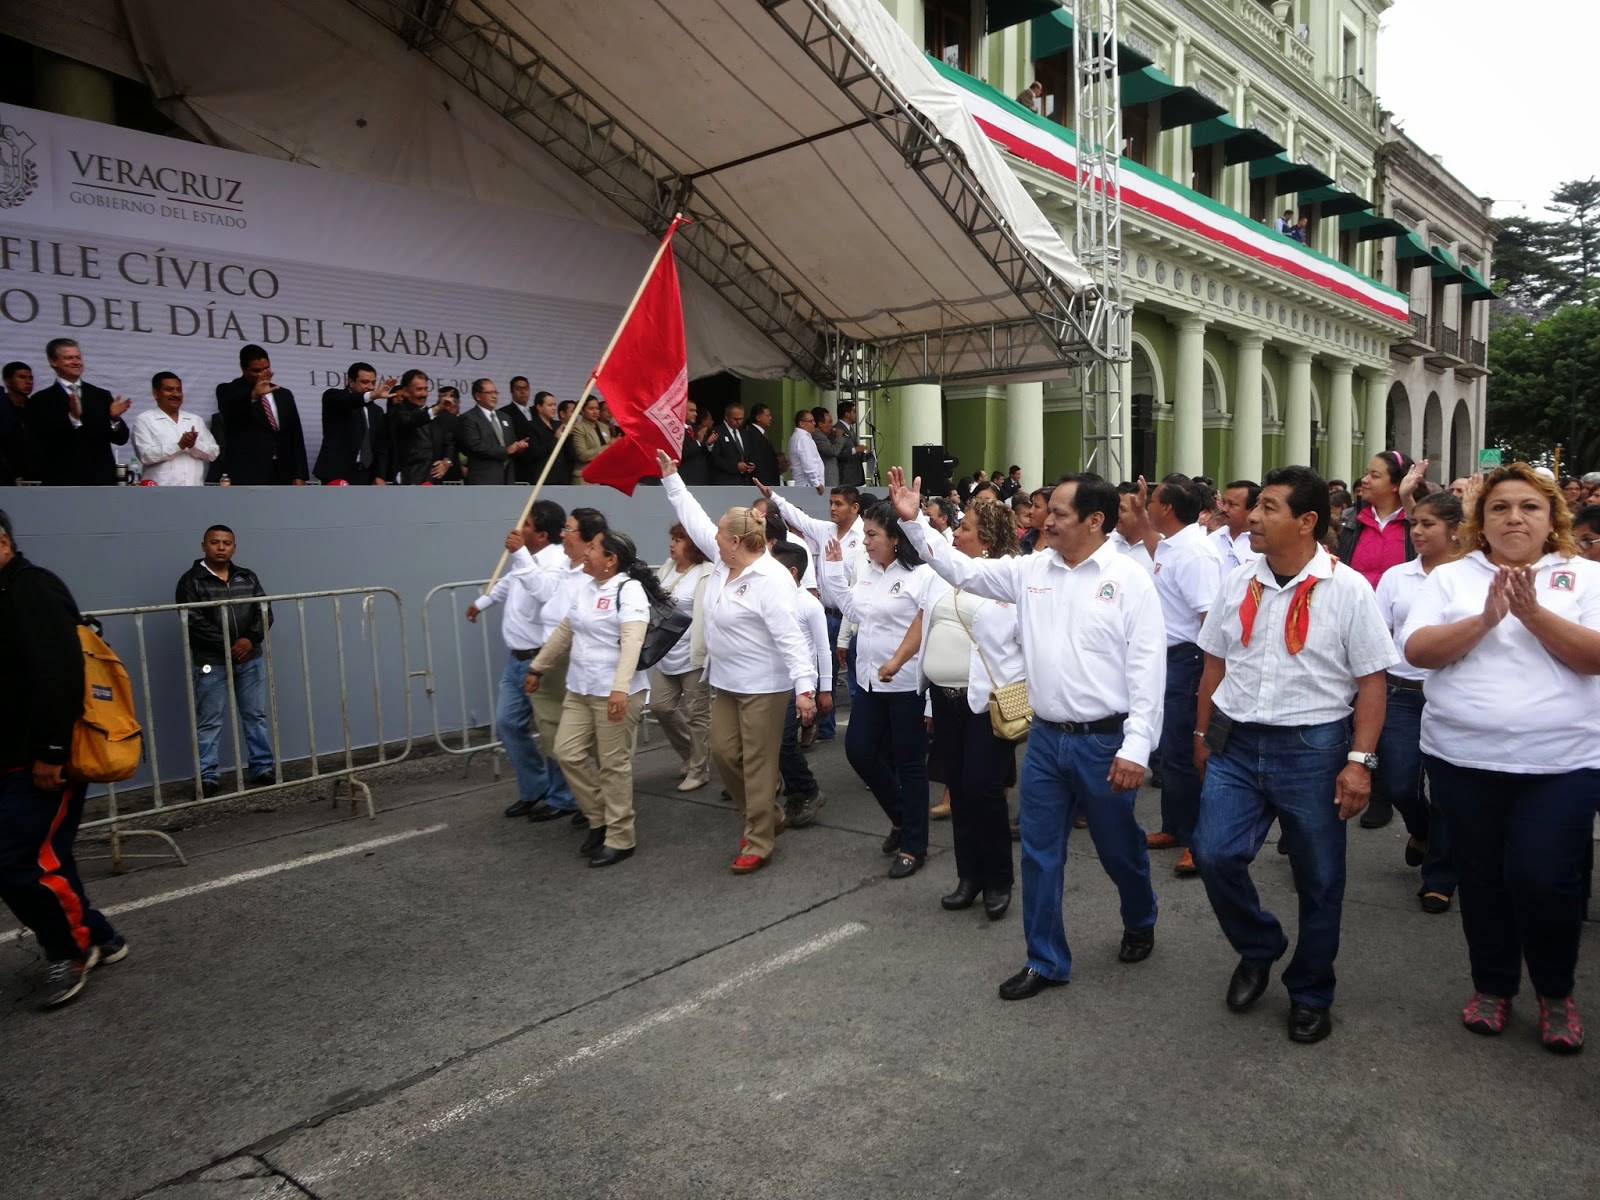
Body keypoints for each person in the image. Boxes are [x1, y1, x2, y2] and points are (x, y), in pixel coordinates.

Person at [890, 467, 1165, 1000]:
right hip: (1044, 741)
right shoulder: (1031, 569)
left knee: (1116, 848)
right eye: (1047, 511)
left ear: (1095, 520)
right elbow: (964, 572)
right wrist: (917, 526)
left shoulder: (1130, 580)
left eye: (1059, 513)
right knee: (1040, 853)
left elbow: (1148, 669)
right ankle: (1046, 959)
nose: (1046, 519)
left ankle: (1140, 912)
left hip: (1104, 743)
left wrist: (1137, 747)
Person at [1400, 464, 1600, 1053]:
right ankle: (1492, 984)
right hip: (1462, 757)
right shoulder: (1450, 579)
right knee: (1482, 878)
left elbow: (1594, 658)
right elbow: (1418, 651)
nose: (1515, 517)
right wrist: (1486, 619)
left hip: (1560, 762)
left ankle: (1556, 991)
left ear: (1552, 519)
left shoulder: (1584, 576)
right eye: (1500, 508)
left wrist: (1532, 614)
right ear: (1480, 521)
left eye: (1530, 507)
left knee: (1544, 880)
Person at [1192, 466, 1394, 1045]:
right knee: (1213, 853)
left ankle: (1310, 991)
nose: (1252, 517)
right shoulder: (1237, 581)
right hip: (1236, 741)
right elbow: (1213, 664)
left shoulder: (1347, 587)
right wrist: (1202, 737)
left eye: (1269, 508)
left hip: (1313, 747)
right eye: (1254, 507)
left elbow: (1372, 682)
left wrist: (1360, 762)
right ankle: (1260, 946)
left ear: (1307, 522)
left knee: (1320, 878)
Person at [658, 450, 818, 873]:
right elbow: (693, 518)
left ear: (734, 541)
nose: (711, 538)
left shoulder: (772, 580)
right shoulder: (722, 559)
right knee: (725, 755)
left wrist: (805, 688)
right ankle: (769, 814)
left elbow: (791, 639)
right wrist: (672, 478)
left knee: (759, 762)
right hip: (727, 681)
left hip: (766, 686)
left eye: (719, 535)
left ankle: (759, 839)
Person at [0, 508, 128, 1008]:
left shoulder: (31, 589)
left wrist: (51, 754)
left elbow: (59, 678)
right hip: (10, 756)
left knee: (15, 863)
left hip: (36, 760)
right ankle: (98, 935)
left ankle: (68, 950)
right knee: (45, 857)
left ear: (4, 542)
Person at [526, 530, 663, 867]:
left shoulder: (628, 591)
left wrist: (620, 687)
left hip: (615, 692)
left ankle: (620, 837)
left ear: (611, 559)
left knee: (613, 765)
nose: (585, 552)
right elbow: (565, 632)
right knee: (567, 752)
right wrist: (538, 667)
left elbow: (632, 641)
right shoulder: (586, 587)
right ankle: (599, 817)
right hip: (580, 688)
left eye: (593, 548)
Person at [918, 496, 1023, 920]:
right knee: (959, 788)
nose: (956, 533)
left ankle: (999, 880)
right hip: (944, 701)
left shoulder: (1011, 583)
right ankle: (969, 877)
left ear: (988, 538)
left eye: (966, 528)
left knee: (983, 790)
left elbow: (1023, 648)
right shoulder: (944, 576)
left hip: (985, 704)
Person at [818, 501, 934, 877]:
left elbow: (926, 628)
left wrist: (900, 663)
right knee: (859, 751)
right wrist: (834, 571)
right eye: (865, 533)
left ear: (896, 539)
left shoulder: (921, 577)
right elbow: (853, 611)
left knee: (910, 764)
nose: (864, 541)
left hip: (905, 685)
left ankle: (914, 844)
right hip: (869, 681)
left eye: (872, 534)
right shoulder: (866, 572)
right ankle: (903, 817)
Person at [1373, 491, 1463, 914]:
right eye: (1415, 524)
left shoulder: (1469, 578)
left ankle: (1440, 877)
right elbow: (1377, 636)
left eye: (1428, 524)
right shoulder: (1396, 577)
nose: (1418, 532)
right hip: (1401, 693)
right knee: (1397, 781)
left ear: (1455, 529)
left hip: (1452, 694)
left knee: (1446, 789)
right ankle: (1421, 829)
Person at [1134, 477, 1222, 877]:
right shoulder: (1171, 544)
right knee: (1170, 751)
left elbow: (1210, 622)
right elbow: (1153, 546)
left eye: (1152, 500)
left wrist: (1208, 678)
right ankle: (1174, 827)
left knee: (1188, 753)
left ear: (1167, 508)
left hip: (1188, 661)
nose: (1148, 505)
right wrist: (1138, 513)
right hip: (1165, 659)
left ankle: (1197, 840)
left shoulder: (1196, 553)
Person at [466, 501, 575, 822]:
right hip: (516, 661)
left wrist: (521, 555)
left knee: (552, 729)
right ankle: (536, 787)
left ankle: (564, 797)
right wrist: (483, 602)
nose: (519, 528)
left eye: (526, 524)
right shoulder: (525, 559)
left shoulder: (557, 561)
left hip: (542, 662)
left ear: (541, 534)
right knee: (509, 724)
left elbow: (545, 592)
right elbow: (510, 582)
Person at [175, 525, 277, 796]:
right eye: (215, 542)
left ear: (234, 547)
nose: (221, 547)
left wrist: (248, 640)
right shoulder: (191, 581)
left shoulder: (247, 576)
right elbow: (191, 620)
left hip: (250, 658)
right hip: (211, 661)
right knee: (210, 719)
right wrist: (227, 645)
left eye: (227, 543)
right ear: (203, 545)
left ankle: (262, 767)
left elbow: (265, 611)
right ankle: (208, 776)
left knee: (255, 715)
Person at [762, 480, 864, 742]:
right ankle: (823, 729)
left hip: (853, 619)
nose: (832, 508)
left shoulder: (866, 537)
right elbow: (800, 518)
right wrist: (773, 494)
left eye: (838, 504)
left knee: (856, 679)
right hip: (826, 613)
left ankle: (862, 734)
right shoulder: (825, 530)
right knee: (819, 671)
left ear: (854, 507)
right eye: (831, 503)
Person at [770, 540, 832, 828]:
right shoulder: (769, 597)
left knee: (783, 742)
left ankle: (806, 790)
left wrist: (825, 690)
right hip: (769, 682)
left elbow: (822, 650)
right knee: (771, 743)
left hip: (799, 686)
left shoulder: (809, 604)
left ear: (792, 572)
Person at [650, 523, 714, 793]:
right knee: (660, 706)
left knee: (698, 714)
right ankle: (690, 753)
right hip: (666, 654)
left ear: (694, 545)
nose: (672, 544)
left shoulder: (706, 573)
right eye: (672, 538)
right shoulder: (666, 568)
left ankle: (699, 769)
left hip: (693, 654)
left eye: (678, 539)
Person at [26, 338, 130, 486]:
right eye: (69, 358)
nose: (76, 362)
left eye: (78, 357)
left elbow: (121, 439)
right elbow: (41, 443)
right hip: (62, 482)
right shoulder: (40, 400)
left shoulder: (100, 395)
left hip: (101, 481)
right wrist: (72, 419)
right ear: (53, 362)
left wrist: (114, 419)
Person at [216, 345, 308, 486]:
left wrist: (299, 473)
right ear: (243, 368)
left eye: (266, 368)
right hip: (248, 472)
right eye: (256, 370)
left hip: (283, 470)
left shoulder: (283, 394)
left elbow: (295, 434)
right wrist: (254, 395)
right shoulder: (228, 390)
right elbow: (230, 412)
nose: (262, 374)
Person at [131, 372, 219, 487]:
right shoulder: (144, 420)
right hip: (159, 492)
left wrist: (193, 446)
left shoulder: (194, 420)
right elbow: (146, 456)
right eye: (169, 389)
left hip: (194, 491)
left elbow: (213, 453)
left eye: (179, 390)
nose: (175, 394)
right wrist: (178, 446)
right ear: (156, 393)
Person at [315, 362, 394, 485]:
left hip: (366, 476)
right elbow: (349, 401)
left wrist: (380, 475)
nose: (370, 387)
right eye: (365, 382)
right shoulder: (333, 397)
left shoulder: (376, 411)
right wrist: (372, 395)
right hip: (337, 474)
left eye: (373, 383)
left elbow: (380, 447)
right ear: (351, 382)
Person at [457, 378, 527, 485]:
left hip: (507, 478)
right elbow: (475, 445)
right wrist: (506, 450)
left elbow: (511, 444)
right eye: (489, 393)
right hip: (484, 479)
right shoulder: (469, 418)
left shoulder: (505, 417)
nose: (494, 396)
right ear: (477, 396)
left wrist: (518, 448)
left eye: (495, 392)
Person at [1211, 480, 1261, 572]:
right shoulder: (1212, 540)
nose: (1224, 509)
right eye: (1224, 503)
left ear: (1253, 508)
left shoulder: (1263, 544)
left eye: (1232, 504)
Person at [525, 390, 573, 485]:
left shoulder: (559, 425)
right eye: (550, 405)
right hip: (543, 478)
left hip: (562, 478)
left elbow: (570, 455)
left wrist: (569, 437)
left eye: (555, 405)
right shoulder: (531, 426)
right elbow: (535, 453)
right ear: (539, 407)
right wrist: (555, 439)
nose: (554, 408)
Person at [1, 360, 36, 485]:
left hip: (33, 477)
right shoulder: (3, 409)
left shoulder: (36, 408)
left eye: (30, 378)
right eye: (22, 377)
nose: (28, 382)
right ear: (7, 381)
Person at [706, 402, 754, 486]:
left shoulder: (744, 433)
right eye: (735, 419)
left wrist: (751, 464)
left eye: (741, 419)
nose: (739, 422)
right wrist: (735, 466)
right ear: (726, 417)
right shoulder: (717, 432)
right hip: (725, 482)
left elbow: (749, 453)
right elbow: (714, 459)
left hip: (744, 482)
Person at [504, 377, 540, 484]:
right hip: (518, 464)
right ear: (512, 391)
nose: (523, 392)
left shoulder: (537, 411)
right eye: (518, 389)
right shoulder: (505, 413)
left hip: (537, 463)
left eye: (526, 388)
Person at [569, 395, 610, 484]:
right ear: (582, 411)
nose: (595, 412)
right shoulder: (578, 428)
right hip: (585, 479)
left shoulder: (604, 427)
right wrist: (607, 447)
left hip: (604, 477)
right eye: (591, 409)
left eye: (597, 408)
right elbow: (582, 455)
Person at [787, 409, 825, 492]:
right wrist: (816, 483)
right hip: (807, 485)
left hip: (806, 484)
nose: (814, 424)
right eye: (811, 421)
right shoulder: (803, 438)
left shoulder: (799, 437)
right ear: (801, 423)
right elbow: (808, 464)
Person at [746, 404, 783, 487]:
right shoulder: (752, 434)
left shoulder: (762, 434)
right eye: (768, 415)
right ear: (758, 418)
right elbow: (757, 460)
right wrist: (765, 483)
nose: (770, 418)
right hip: (763, 483)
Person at [679, 399, 711, 486]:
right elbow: (682, 454)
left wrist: (709, 444)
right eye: (691, 411)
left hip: (701, 480)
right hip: (686, 480)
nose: (695, 414)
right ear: (682, 410)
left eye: (695, 411)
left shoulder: (697, 430)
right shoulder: (676, 431)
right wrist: (697, 442)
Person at [835, 400, 868, 487]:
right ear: (847, 414)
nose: (856, 415)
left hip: (855, 476)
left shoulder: (850, 429)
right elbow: (837, 453)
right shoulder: (837, 429)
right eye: (854, 412)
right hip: (846, 476)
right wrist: (855, 450)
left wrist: (864, 456)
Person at [812, 407, 842, 487]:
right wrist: (839, 437)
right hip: (826, 479)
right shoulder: (817, 436)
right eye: (829, 422)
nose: (831, 426)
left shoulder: (824, 436)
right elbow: (833, 451)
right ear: (821, 424)